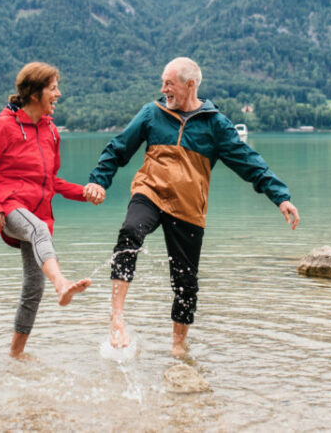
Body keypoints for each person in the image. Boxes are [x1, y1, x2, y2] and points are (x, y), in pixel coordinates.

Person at [83, 57, 300, 357]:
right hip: (150, 192)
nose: (163, 90)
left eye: (169, 84)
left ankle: (178, 347)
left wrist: (281, 196)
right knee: (130, 232)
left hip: (188, 208)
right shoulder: (152, 114)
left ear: (190, 85)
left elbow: (248, 160)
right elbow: (118, 148)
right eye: (163, 83)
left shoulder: (214, 125)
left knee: (186, 281)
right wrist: (99, 180)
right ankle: (117, 317)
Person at [0, 62, 102, 358]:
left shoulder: (52, 131)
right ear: (34, 94)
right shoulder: (3, 126)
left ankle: (15, 356)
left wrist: (84, 193)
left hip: (38, 211)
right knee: (39, 230)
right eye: (53, 88)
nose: (58, 93)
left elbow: (51, 181)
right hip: (8, 208)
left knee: (32, 287)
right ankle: (62, 283)